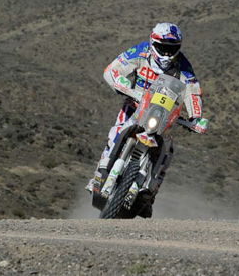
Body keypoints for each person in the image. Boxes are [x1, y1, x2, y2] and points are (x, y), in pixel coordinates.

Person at [85, 22, 205, 215]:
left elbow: (193, 91)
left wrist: (196, 116)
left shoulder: (183, 66)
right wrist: (121, 83)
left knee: (167, 153)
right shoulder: (139, 52)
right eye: (163, 48)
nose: (166, 54)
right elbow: (112, 69)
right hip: (135, 105)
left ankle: (149, 196)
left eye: (171, 49)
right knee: (116, 132)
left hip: (163, 116)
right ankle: (99, 174)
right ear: (152, 42)